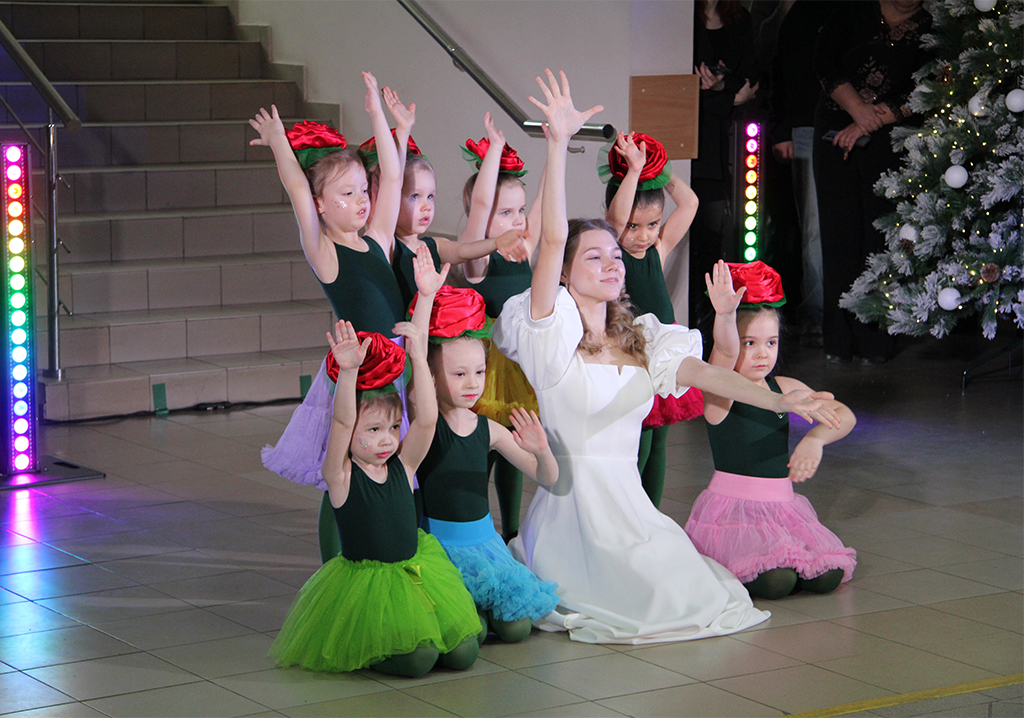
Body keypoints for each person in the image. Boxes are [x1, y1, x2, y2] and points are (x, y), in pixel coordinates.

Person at [492, 69, 839, 644]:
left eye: (614, 256)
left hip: (632, 510)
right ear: (565, 275)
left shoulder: (643, 337)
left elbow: (706, 375)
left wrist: (784, 402)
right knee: (647, 601)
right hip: (575, 518)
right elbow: (551, 239)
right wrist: (557, 144)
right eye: (594, 257)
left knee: (692, 590)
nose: (612, 263)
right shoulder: (548, 336)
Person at [269, 251, 481, 677]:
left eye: (392, 428)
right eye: (373, 431)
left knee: (464, 654)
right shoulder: (340, 475)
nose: (386, 440)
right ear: (350, 436)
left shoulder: (404, 466)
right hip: (369, 587)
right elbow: (343, 420)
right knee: (419, 659)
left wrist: (418, 356)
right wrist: (348, 373)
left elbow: (426, 419)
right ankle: (375, 647)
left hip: (414, 573)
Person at [252, 72, 407, 562]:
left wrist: (377, 115)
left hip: (397, 365)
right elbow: (296, 188)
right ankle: (336, 568)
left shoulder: (377, 238)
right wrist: (279, 143)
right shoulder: (324, 252)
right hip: (357, 370)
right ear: (320, 205)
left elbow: (392, 177)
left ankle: (394, 548)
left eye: (362, 191)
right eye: (346, 195)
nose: (361, 201)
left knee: (396, 463)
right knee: (339, 470)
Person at [685, 260, 857, 600]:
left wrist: (815, 440)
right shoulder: (721, 392)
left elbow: (843, 414)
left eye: (771, 343)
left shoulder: (785, 388)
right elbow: (724, 352)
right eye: (750, 343)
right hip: (735, 514)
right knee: (777, 582)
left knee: (829, 575)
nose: (762, 354)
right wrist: (725, 315)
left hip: (782, 508)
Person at [415, 285, 560, 643]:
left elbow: (548, 477)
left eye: (479, 372)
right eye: (459, 374)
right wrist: (426, 296)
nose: (473, 384)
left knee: (517, 627)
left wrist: (542, 451)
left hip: (485, 546)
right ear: (431, 377)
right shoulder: (426, 424)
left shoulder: (489, 429)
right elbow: (417, 352)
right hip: (441, 546)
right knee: (472, 631)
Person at [813, 0, 932, 364]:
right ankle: (838, 337)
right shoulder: (853, 8)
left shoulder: (933, 25)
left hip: (892, 141)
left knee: (880, 238)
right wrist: (858, 112)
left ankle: (876, 338)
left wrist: (868, 122)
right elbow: (824, 62)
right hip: (835, 132)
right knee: (838, 236)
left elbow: (928, 87)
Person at [603, 131, 701, 508]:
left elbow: (689, 203)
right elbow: (615, 219)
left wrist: (660, 172)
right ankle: (630, 514)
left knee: (659, 442)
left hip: (662, 355)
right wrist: (633, 172)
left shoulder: (658, 250)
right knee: (638, 442)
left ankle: (652, 517)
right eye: (634, 226)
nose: (643, 236)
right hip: (630, 356)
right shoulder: (612, 253)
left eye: (652, 224)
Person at [458, 113, 545, 541]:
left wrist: (557, 147)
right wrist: (493, 151)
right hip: (487, 370)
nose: (517, 220)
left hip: (521, 366)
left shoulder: (524, 250)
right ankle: (475, 531)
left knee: (517, 447)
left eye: (519, 211)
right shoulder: (477, 260)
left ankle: (511, 532)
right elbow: (479, 208)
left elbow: (545, 206)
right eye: (505, 212)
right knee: (483, 452)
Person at [387, 105, 529, 307]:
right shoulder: (386, 244)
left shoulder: (436, 246)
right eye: (415, 196)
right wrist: (402, 130)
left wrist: (497, 243)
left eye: (431, 196)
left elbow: (466, 250)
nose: (427, 206)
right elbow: (480, 205)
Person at [690, 0, 759, 339]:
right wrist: (727, 94)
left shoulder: (739, 18)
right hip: (687, 133)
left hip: (721, 141)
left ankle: (709, 326)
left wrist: (718, 90)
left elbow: (752, 82)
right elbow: (678, 84)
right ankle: (689, 322)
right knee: (689, 235)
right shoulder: (682, 15)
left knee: (714, 236)